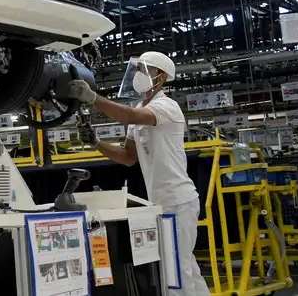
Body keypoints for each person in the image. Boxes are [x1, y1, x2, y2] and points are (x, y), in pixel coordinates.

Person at [68, 51, 208, 296]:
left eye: (144, 70)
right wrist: (96, 143)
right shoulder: (139, 109)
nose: (138, 75)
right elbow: (128, 157)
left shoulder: (166, 106)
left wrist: (93, 98)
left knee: (176, 268)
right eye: (138, 70)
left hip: (178, 199)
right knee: (185, 265)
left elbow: (130, 115)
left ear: (161, 76)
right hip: (160, 201)